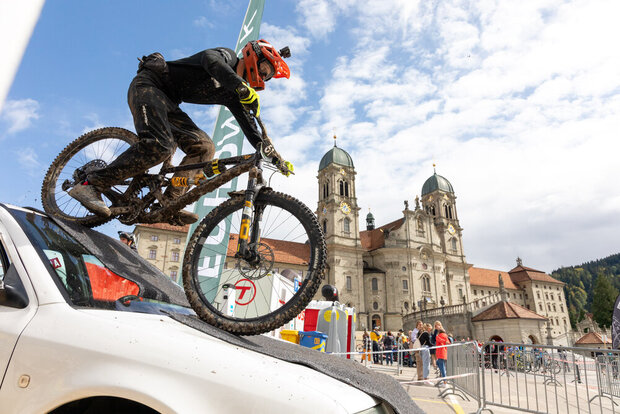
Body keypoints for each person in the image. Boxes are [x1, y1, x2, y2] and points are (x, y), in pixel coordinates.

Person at [69, 40, 291, 224]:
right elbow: (210, 61)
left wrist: (274, 156)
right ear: (253, 57)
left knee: (204, 147)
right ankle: (91, 184)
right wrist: (240, 86)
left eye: (267, 76)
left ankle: (169, 204)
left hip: (169, 105)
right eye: (265, 70)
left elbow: (252, 130)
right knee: (160, 145)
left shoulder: (232, 94)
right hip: (149, 86)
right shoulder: (228, 57)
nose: (264, 77)